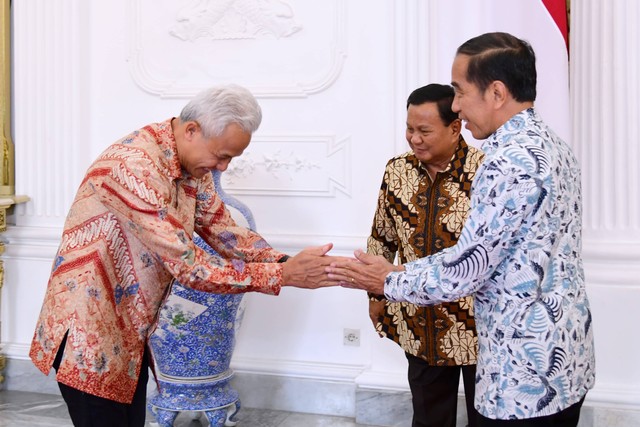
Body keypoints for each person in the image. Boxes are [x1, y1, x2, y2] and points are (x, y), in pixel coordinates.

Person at [29, 84, 338, 427]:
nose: (223, 166)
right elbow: (190, 266)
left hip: (128, 334)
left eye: (231, 158)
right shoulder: (135, 167)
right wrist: (284, 276)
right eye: (222, 155)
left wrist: (285, 263)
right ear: (192, 130)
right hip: (87, 333)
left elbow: (224, 230)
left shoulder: (192, 165)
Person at [328, 32, 595, 426]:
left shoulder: (507, 160)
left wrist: (389, 279)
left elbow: (468, 268)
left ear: (497, 92)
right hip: (564, 355)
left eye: (460, 91)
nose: (455, 106)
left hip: (523, 372)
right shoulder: (552, 145)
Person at [367, 83, 483, 427]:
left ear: (454, 127)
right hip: (420, 321)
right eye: (409, 129)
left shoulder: (486, 171)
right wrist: (376, 293)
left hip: (479, 322)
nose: (414, 139)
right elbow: (382, 236)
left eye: (424, 131)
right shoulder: (396, 170)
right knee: (429, 417)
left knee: (488, 417)